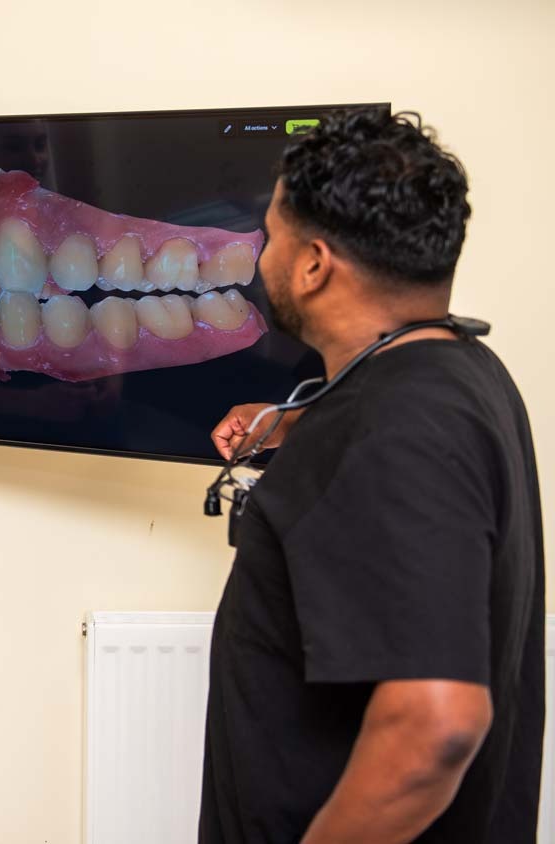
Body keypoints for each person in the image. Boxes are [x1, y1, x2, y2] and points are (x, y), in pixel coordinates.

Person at [201, 109, 543, 842]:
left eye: (271, 235)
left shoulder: (396, 428)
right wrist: (298, 423)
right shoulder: (459, 372)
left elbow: (437, 723)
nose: (260, 255)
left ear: (315, 264)